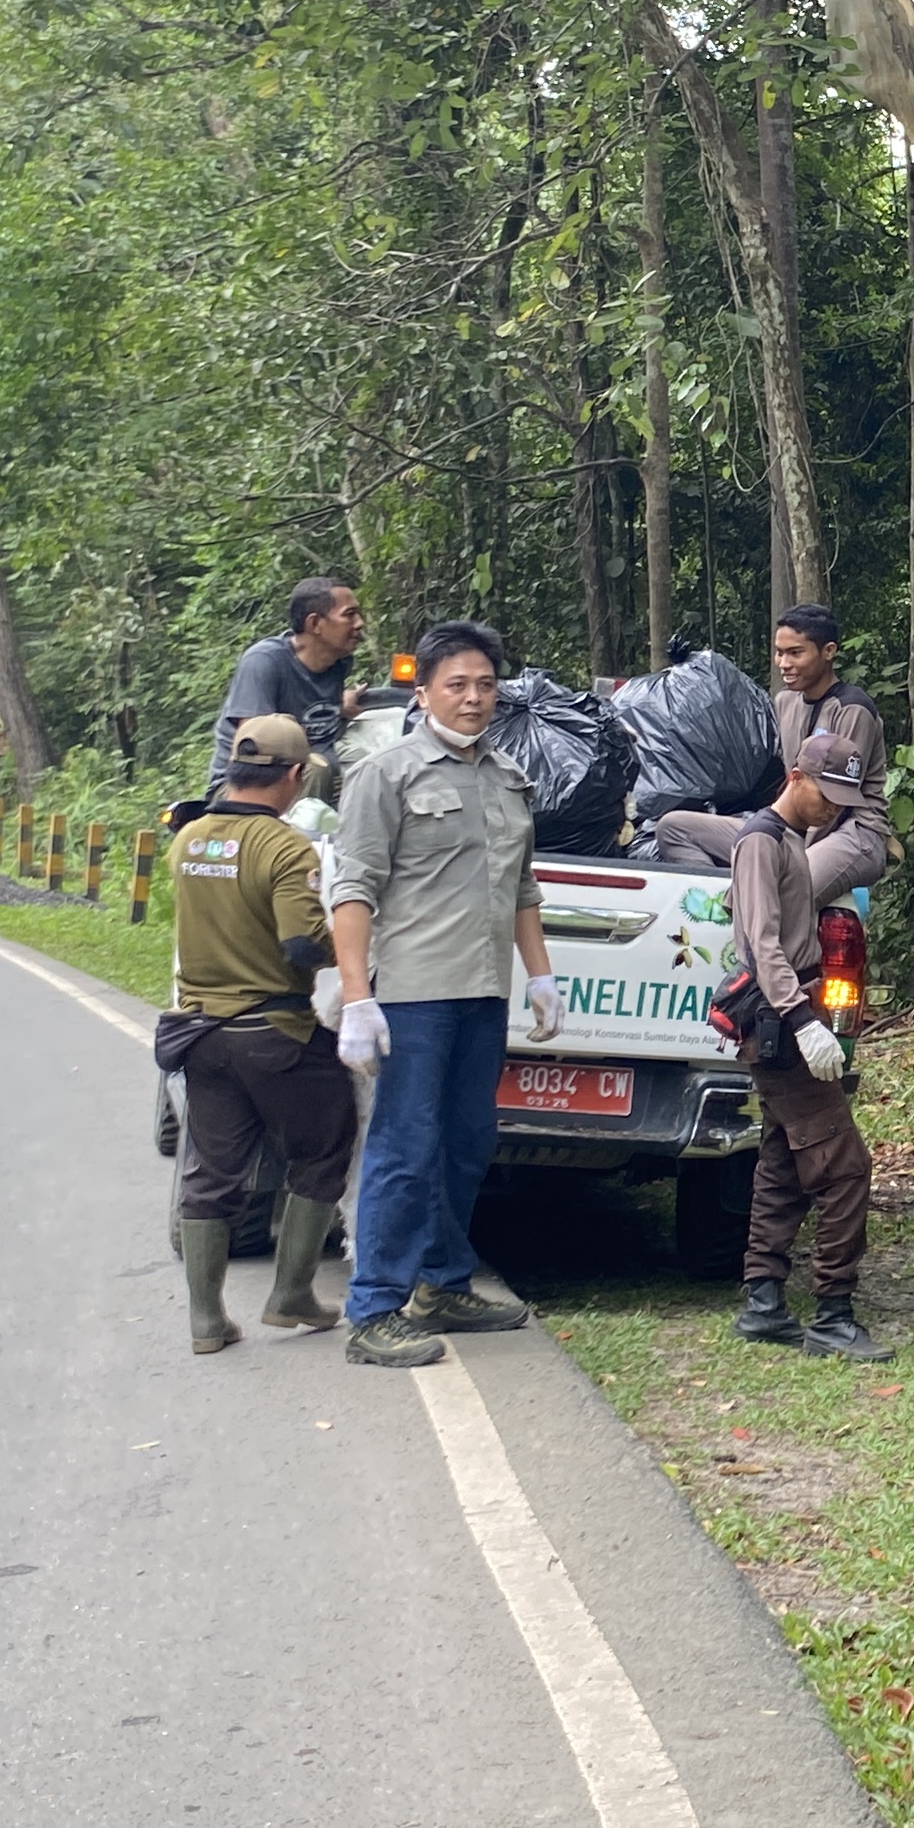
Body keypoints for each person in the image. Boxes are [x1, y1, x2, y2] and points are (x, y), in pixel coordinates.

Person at [324, 620, 565, 1368]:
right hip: (414, 996)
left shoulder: (506, 777)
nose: (473, 698)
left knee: (466, 1145)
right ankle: (372, 1310)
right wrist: (359, 999)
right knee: (404, 1148)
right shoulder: (387, 775)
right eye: (456, 685)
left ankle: (443, 1285)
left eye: (485, 685)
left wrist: (543, 975)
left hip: (484, 991)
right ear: (423, 691)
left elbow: (522, 887)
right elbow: (353, 888)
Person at [159, 714, 356, 1354]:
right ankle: (291, 1293)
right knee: (324, 1147)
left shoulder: (188, 839)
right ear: (295, 777)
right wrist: (352, 941)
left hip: (200, 1034)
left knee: (211, 1171)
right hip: (273, 1031)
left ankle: (206, 1321)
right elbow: (300, 944)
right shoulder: (285, 848)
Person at [724, 735, 891, 1360]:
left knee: (784, 1164)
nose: (835, 809)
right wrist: (802, 1021)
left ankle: (763, 1301)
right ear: (797, 777)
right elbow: (762, 945)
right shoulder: (761, 841)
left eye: (848, 799)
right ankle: (832, 1313)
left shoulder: (792, 840)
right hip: (781, 1021)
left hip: (794, 1017)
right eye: (828, 794)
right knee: (845, 1167)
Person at [769, 605, 898, 900]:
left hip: (853, 831)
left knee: (786, 891)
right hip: (794, 826)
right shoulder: (784, 702)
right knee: (678, 829)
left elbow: (835, 801)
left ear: (828, 651)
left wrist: (788, 855)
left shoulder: (853, 709)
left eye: (795, 653)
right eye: (779, 652)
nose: (783, 663)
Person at [208, 578, 365, 791]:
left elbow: (310, 707)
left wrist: (340, 705)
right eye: (349, 615)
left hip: (319, 770)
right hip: (251, 789)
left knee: (377, 761)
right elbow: (253, 746)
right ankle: (304, 825)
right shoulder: (265, 662)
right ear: (315, 624)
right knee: (318, 769)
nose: (359, 623)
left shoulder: (340, 661)